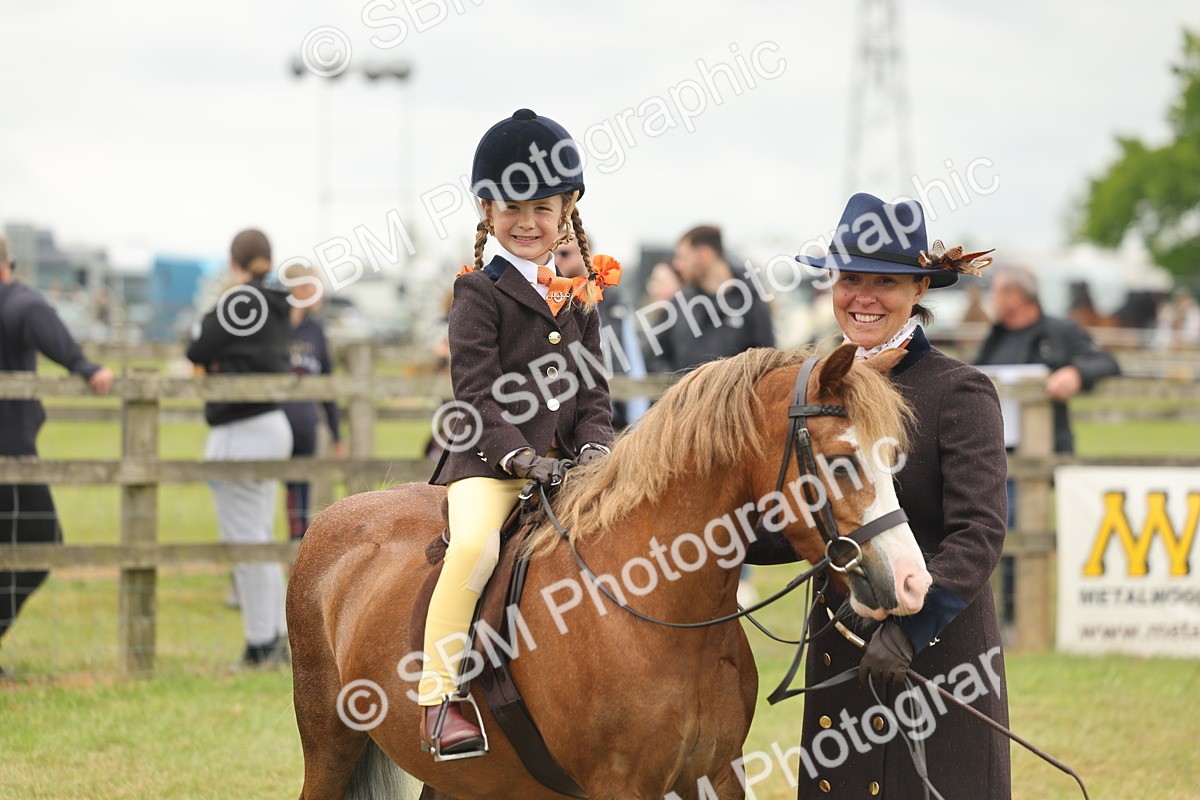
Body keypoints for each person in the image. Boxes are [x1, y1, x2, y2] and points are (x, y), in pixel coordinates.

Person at [749, 193, 1011, 797]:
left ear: (919, 289)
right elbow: (798, 520)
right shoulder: (815, 388)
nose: (862, 297)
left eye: (885, 282)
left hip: (940, 657)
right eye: (851, 279)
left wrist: (913, 633)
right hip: (840, 649)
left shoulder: (960, 391)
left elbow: (979, 532)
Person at [420, 109, 618, 756]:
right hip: (488, 465)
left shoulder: (580, 297)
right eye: (511, 208)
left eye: (541, 207)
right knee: (475, 547)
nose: (527, 222)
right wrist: (523, 461)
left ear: (567, 210)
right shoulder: (477, 294)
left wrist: (595, 449)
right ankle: (440, 695)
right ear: (486, 211)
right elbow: (475, 396)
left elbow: (593, 393)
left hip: (571, 469)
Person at [975, 265, 1119, 626]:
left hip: (1041, 452)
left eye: (998, 292)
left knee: (1024, 529)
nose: (993, 300)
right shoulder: (995, 337)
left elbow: (1106, 361)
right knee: (999, 531)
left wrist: (1076, 373)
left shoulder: (1060, 331)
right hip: (997, 455)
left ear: (1016, 296)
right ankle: (1005, 617)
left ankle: (1027, 617)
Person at [0, 235, 114, 671]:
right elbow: (41, 321)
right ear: (8, 261)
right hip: (11, 456)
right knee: (43, 543)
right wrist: (84, 366)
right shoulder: (20, 302)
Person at [187, 229, 293, 668]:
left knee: (245, 542)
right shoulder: (281, 301)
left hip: (239, 427)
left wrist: (215, 361)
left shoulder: (239, 301)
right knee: (262, 538)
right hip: (272, 424)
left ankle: (260, 642)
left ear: (235, 262)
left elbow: (197, 346)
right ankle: (277, 635)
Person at [649, 225, 774, 373]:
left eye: (682, 257)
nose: (676, 265)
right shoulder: (679, 304)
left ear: (704, 256)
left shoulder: (751, 303)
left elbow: (765, 365)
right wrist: (681, 388)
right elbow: (654, 359)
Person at [279, 262, 344, 539]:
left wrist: (336, 434)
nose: (321, 296)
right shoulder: (275, 329)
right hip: (276, 426)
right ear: (300, 289)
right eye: (315, 288)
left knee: (301, 495)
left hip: (306, 426)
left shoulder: (315, 330)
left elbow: (327, 383)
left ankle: (296, 552)